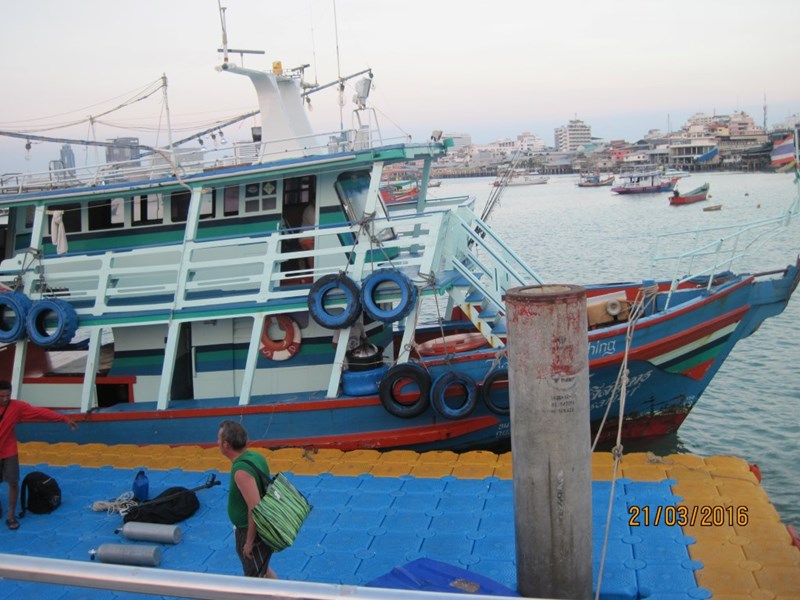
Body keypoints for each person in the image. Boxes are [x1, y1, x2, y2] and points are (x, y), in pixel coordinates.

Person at [0, 379, 77, 530]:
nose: (5, 399)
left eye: (7, 396)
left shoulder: (17, 407)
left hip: (9, 452)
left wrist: (64, 419)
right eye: (1, 396)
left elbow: (41, 413)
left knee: (13, 482)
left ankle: (10, 515)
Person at [218, 420, 278, 579]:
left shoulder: (241, 471)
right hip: (259, 529)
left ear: (226, 445)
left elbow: (255, 508)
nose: (217, 443)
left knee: (253, 578)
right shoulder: (256, 456)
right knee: (261, 568)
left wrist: (249, 542)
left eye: (218, 440)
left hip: (250, 532)